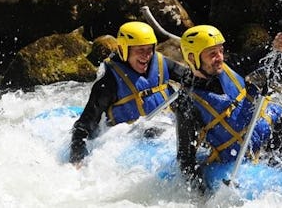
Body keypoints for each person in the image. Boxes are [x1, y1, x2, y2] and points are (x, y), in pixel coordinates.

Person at [174, 25, 282, 191]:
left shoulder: (232, 66)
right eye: (212, 54)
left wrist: (276, 46)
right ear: (192, 58)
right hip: (241, 160)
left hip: (274, 131)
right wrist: (200, 194)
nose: (220, 57)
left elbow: (261, 55)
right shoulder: (187, 103)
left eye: (221, 50)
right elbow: (185, 158)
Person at [69, 21, 193, 167]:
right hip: (130, 140)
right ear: (123, 49)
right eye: (140, 50)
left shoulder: (161, 63)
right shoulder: (109, 82)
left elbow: (192, 79)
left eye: (149, 49)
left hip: (167, 129)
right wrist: (77, 158)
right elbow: (84, 126)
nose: (146, 56)